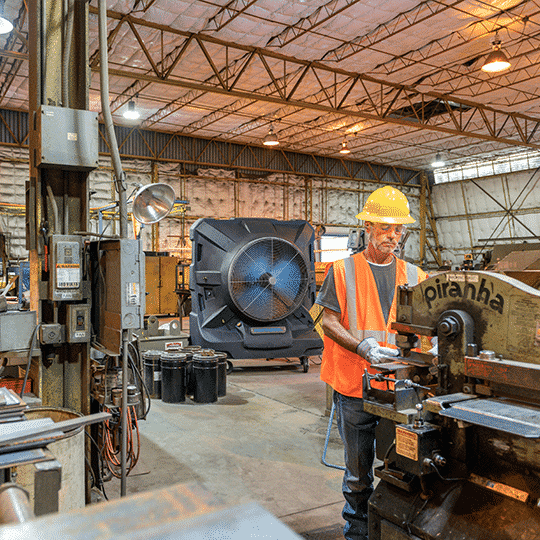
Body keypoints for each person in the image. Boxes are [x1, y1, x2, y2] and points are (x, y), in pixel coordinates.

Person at [315, 185, 428, 540]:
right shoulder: (342, 270)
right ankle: (358, 532)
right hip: (354, 386)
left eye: (398, 230)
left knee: (405, 466)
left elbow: (424, 329)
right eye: (385, 228)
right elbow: (328, 321)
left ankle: (391, 528)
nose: (392, 236)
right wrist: (363, 348)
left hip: (400, 390)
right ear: (368, 228)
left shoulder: (416, 275)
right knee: (358, 473)